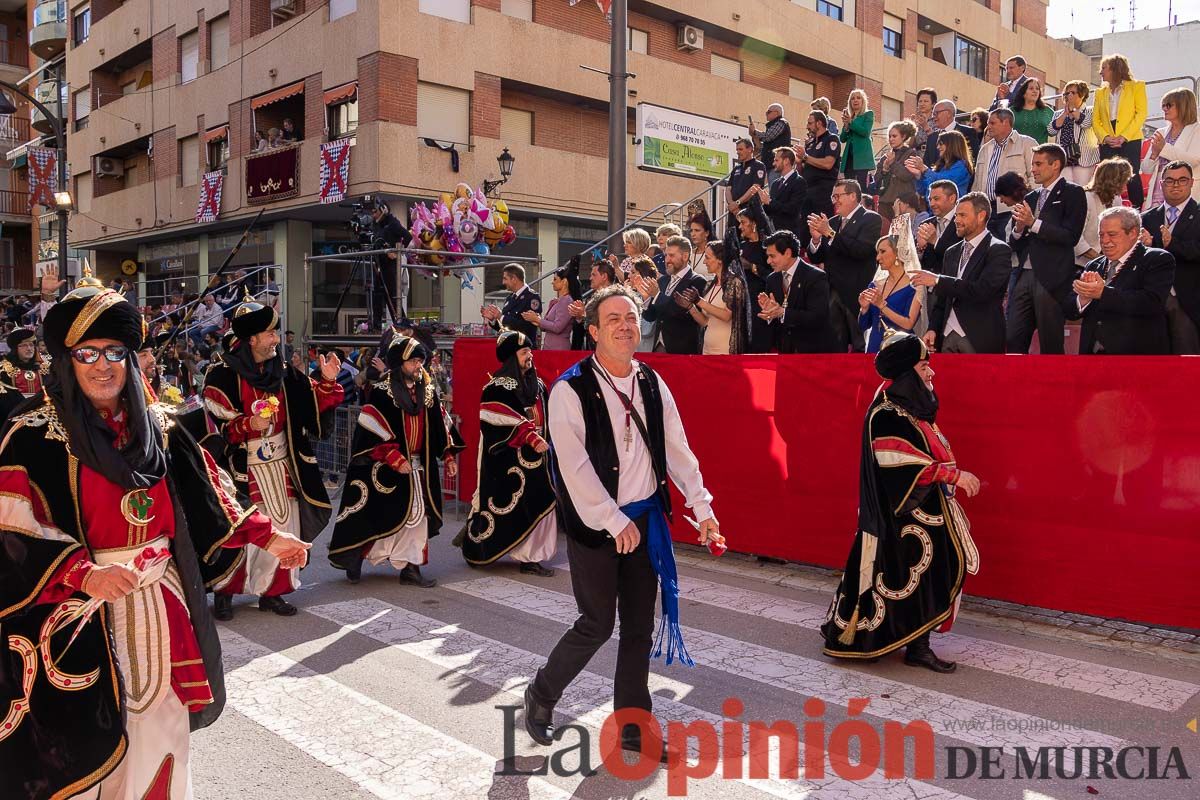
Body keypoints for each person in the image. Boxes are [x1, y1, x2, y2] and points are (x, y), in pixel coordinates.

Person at [0, 278, 309, 798]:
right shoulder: (32, 435)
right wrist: (82, 573)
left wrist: (266, 535)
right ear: (67, 360)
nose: (103, 366)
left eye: (115, 352)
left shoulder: (159, 428)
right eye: (88, 353)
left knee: (162, 728)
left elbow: (209, 489)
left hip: (162, 607)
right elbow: (12, 527)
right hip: (79, 613)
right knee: (86, 744)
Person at [523, 284, 721, 761]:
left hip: (645, 520)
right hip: (597, 526)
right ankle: (542, 694)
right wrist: (613, 520)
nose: (625, 325)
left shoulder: (652, 382)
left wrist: (704, 508)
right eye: (613, 318)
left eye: (631, 317)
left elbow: (677, 449)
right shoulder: (569, 389)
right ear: (592, 330)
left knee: (637, 628)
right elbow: (574, 469)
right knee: (595, 624)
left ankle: (633, 727)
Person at [821, 332, 980, 673]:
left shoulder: (908, 408)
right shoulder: (886, 413)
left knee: (931, 573)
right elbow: (897, 460)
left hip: (921, 510)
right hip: (900, 516)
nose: (931, 373)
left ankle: (915, 644)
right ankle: (902, 644)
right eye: (925, 366)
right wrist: (952, 476)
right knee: (918, 575)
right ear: (909, 372)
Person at [203, 294, 344, 619]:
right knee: (239, 529)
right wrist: (247, 423)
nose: (275, 339)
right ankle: (226, 592)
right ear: (251, 338)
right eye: (270, 334)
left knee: (283, 524)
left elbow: (310, 405)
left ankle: (274, 592)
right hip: (242, 467)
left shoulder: (282, 371)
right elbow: (212, 425)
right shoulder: (222, 374)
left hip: (283, 464)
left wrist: (326, 381)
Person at [328, 334, 464, 585]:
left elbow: (440, 425)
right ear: (399, 363)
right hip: (384, 468)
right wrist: (392, 456)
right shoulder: (382, 392)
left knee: (418, 519)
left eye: (420, 361)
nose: (418, 366)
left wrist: (448, 454)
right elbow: (370, 427)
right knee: (381, 517)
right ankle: (358, 554)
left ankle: (411, 568)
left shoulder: (428, 392)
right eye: (412, 361)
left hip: (419, 468)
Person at [459, 331, 557, 574]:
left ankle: (532, 557)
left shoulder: (539, 384)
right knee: (511, 508)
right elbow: (496, 417)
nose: (530, 356)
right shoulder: (496, 387)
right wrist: (530, 436)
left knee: (542, 504)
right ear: (512, 357)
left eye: (530, 351)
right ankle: (487, 549)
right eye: (524, 352)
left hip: (540, 459)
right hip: (509, 459)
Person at [1007, 144, 1088, 355]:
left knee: (1050, 341)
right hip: (1023, 274)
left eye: (1038, 164)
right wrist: (1019, 228)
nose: (1032, 169)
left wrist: (1033, 223)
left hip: (1052, 278)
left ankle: (1054, 386)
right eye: (1033, 164)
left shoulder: (1073, 192)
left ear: (1055, 165)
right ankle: (1015, 384)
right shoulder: (1031, 197)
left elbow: (1070, 236)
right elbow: (1015, 242)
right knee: (1014, 336)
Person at [913, 192, 1012, 354]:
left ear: (981, 216)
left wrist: (939, 280)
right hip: (946, 337)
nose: (956, 220)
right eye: (956, 215)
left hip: (980, 338)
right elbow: (942, 300)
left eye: (963, 215)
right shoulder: (951, 252)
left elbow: (983, 290)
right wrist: (933, 329)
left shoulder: (998, 250)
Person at [1065, 206, 1174, 355]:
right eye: (1101, 235)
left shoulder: (1156, 259)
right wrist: (1083, 298)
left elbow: (1151, 303)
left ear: (1133, 233)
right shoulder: (1094, 265)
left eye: (1112, 234)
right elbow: (1070, 311)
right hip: (1094, 358)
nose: (1105, 241)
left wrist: (1103, 293)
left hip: (1136, 359)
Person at [807, 179, 884, 352]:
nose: (834, 201)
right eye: (833, 196)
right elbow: (816, 257)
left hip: (856, 294)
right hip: (832, 293)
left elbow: (861, 251)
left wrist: (829, 233)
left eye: (837, 196)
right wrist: (816, 238)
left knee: (859, 344)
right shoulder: (832, 222)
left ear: (852, 196)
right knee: (835, 346)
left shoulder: (870, 218)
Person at [1141, 161, 1200, 354]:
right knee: (1154, 359)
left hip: (1188, 299)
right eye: (1170, 180)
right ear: (1161, 184)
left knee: (1187, 357)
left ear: (1192, 182)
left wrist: (1171, 244)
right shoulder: (1146, 218)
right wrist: (1147, 247)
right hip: (1152, 299)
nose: (1176, 185)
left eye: (1182, 180)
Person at [758, 229, 835, 353]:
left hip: (810, 353)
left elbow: (818, 317)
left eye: (772, 256)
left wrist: (782, 313)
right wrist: (769, 313)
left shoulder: (815, 277)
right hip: (783, 352)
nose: (768, 261)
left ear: (788, 253)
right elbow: (773, 321)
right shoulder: (772, 279)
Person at [633, 235, 707, 354]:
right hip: (657, 346)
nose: (667, 260)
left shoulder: (696, 281)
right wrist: (646, 298)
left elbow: (679, 311)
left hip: (682, 350)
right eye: (666, 255)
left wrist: (657, 295)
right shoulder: (663, 280)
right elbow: (651, 317)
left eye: (671, 255)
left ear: (685, 256)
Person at [1092, 54, 1148, 210]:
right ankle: (1106, 209)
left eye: (1104, 68)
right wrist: (1105, 137)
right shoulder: (1099, 93)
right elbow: (1095, 119)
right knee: (1106, 176)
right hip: (1107, 140)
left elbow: (1141, 113)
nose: (1100, 72)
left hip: (1130, 139)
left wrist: (1124, 136)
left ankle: (1138, 212)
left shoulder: (1137, 86)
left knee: (1132, 177)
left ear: (1115, 68)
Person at [680, 241, 748, 355]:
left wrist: (699, 301)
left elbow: (727, 315)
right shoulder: (710, 284)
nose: (704, 261)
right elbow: (705, 322)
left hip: (725, 349)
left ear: (720, 260)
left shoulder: (735, 282)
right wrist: (690, 306)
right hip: (707, 349)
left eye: (707, 257)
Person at [858, 236, 923, 353]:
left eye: (882, 251)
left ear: (898, 252)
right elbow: (864, 326)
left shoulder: (915, 285)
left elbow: (908, 324)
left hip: (900, 348)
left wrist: (882, 306)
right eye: (877, 252)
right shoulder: (874, 285)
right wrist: (864, 308)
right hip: (874, 347)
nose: (878, 257)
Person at [971, 108, 1036, 219]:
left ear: (1005, 122)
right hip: (986, 211)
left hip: (1014, 209)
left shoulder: (1027, 143)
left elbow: (1035, 176)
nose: (988, 127)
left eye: (992, 123)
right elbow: (977, 183)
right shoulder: (985, 149)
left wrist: (1029, 203)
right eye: (988, 123)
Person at [1143, 88, 1200, 209]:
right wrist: (1153, 154)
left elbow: (1193, 162)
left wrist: (1163, 148)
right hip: (1158, 192)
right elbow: (1146, 169)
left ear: (1183, 106)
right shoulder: (1160, 132)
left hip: (1185, 192)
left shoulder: (1197, 131)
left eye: (1168, 105)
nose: (1164, 109)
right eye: (1163, 105)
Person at [1078, 157, 1134, 270]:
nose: (1125, 186)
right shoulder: (1085, 199)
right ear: (1114, 181)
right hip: (1079, 265)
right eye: (1124, 181)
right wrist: (1101, 260)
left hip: (1103, 262)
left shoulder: (1116, 199)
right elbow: (1077, 240)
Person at [369, 197, 414, 326]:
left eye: (375, 212)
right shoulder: (376, 225)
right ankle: (376, 324)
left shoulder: (393, 223)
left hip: (389, 265)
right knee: (376, 293)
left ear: (383, 210)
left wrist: (398, 252)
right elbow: (376, 241)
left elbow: (407, 237)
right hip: (378, 263)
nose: (373, 215)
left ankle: (401, 322)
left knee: (393, 295)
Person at [736, 206, 775, 353]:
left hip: (760, 300)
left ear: (754, 224)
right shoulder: (741, 246)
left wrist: (751, 266)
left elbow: (773, 275)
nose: (740, 226)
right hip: (743, 300)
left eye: (743, 222)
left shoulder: (766, 247)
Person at [1048, 80, 1101, 186]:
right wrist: (1064, 114)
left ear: (1082, 95)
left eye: (1073, 93)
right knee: (1065, 189)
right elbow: (1051, 131)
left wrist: (1073, 110)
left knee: (1082, 189)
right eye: (1067, 93)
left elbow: (1086, 123)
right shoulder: (1058, 113)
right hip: (1064, 158)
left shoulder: (1091, 111)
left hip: (1084, 159)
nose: (1069, 96)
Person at [797, 110, 842, 221]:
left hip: (823, 191)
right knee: (804, 227)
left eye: (810, 123)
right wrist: (798, 162)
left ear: (819, 123)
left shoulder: (831, 139)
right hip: (807, 191)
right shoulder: (811, 144)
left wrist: (806, 157)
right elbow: (802, 171)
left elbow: (828, 164)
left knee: (822, 225)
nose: (807, 126)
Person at [482, 263, 541, 346]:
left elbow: (525, 326)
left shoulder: (532, 298)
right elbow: (505, 328)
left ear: (514, 279)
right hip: (509, 348)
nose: (503, 282)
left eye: (505, 279)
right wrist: (494, 320)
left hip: (524, 348)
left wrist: (500, 316)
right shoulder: (510, 298)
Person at [527, 265, 580, 350]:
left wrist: (538, 320)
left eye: (555, 279)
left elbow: (557, 327)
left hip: (559, 350)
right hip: (549, 348)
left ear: (564, 281)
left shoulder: (566, 300)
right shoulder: (557, 301)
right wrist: (536, 320)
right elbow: (547, 326)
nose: (552, 282)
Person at [757, 146, 807, 235]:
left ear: (786, 161)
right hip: (774, 233)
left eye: (776, 160)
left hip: (789, 234)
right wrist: (763, 202)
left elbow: (792, 209)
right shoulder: (775, 183)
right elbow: (770, 210)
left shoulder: (799, 182)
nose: (773, 163)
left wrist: (769, 202)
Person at [912, 129, 974, 200]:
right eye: (938, 144)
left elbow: (944, 182)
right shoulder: (940, 166)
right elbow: (924, 191)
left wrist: (924, 169)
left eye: (941, 144)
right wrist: (918, 176)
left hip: (953, 209)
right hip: (935, 209)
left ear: (952, 145)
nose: (938, 147)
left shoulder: (961, 166)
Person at [916, 180, 963, 275]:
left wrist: (935, 241)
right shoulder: (925, 224)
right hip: (927, 285)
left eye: (936, 199)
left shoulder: (964, 222)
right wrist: (920, 248)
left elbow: (962, 256)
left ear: (952, 198)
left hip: (952, 283)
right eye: (930, 199)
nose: (932, 204)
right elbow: (916, 261)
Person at [876, 121, 919, 222]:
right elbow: (877, 180)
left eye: (894, 136)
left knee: (901, 233)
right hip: (884, 202)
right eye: (889, 136)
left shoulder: (911, 153)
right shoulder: (884, 157)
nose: (891, 139)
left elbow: (907, 175)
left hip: (902, 202)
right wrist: (884, 170)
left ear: (903, 136)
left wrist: (893, 163)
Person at [0, 327, 47, 418]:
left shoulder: (45, 368)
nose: (29, 349)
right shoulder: (3, 370)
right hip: (14, 415)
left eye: (31, 345)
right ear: (15, 348)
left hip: (43, 413)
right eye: (24, 345)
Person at [924, 100, 981, 169]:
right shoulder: (932, 137)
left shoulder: (967, 132)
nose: (933, 116)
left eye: (936, 113)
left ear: (949, 113)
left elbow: (972, 159)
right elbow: (926, 163)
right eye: (933, 114)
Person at [725, 137, 768, 220]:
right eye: (737, 150)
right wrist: (732, 205)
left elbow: (755, 187)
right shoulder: (736, 168)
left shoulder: (758, 166)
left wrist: (737, 203)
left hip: (749, 211)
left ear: (750, 149)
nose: (738, 152)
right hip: (734, 212)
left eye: (740, 149)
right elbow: (728, 188)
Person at [840, 90, 875, 189]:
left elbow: (865, 132)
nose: (855, 100)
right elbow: (842, 139)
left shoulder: (868, 114)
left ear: (863, 101)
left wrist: (851, 123)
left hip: (862, 158)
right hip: (849, 158)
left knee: (861, 187)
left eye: (858, 98)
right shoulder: (850, 117)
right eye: (852, 98)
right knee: (849, 186)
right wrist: (846, 126)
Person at [750, 103, 791, 184]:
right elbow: (763, 145)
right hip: (770, 163)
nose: (766, 114)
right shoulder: (774, 125)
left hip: (777, 164)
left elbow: (768, 136)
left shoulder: (781, 122)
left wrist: (755, 132)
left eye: (768, 112)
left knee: (774, 189)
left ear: (776, 113)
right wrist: (754, 135)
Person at [1011, 77, 1053, 144]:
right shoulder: (1012, 111)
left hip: (1040, 152)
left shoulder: (1047, 111)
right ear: (1023, 94)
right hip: (1016, 152)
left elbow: (1053, 133)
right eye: (1031, 88)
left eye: (1037, 89)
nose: (1035, 91)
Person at [910, 88, 938, 158]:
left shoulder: (937, 120)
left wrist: (925, 126)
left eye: (926, 101)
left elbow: (938, 139)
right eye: (920, 101)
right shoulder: (915, 121)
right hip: (917, 157)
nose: (922, 104)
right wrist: (912, 128)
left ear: (933, 104)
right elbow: (910, 145)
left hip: (933, 155)